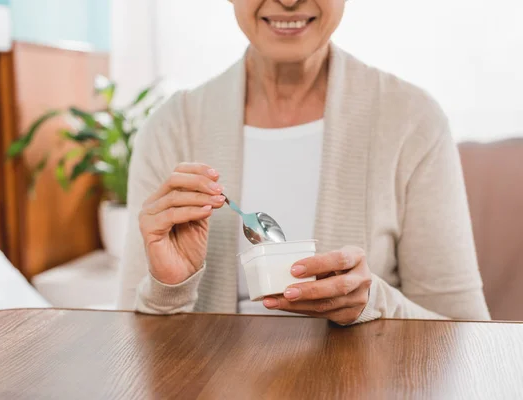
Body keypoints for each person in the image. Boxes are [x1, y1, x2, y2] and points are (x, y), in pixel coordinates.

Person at [117, 0, 491, 325]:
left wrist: (374, 303)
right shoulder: (171, 128)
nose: (289, 0)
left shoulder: (412, 121)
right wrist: (168, 291)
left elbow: (469, 338)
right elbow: (127, 349)